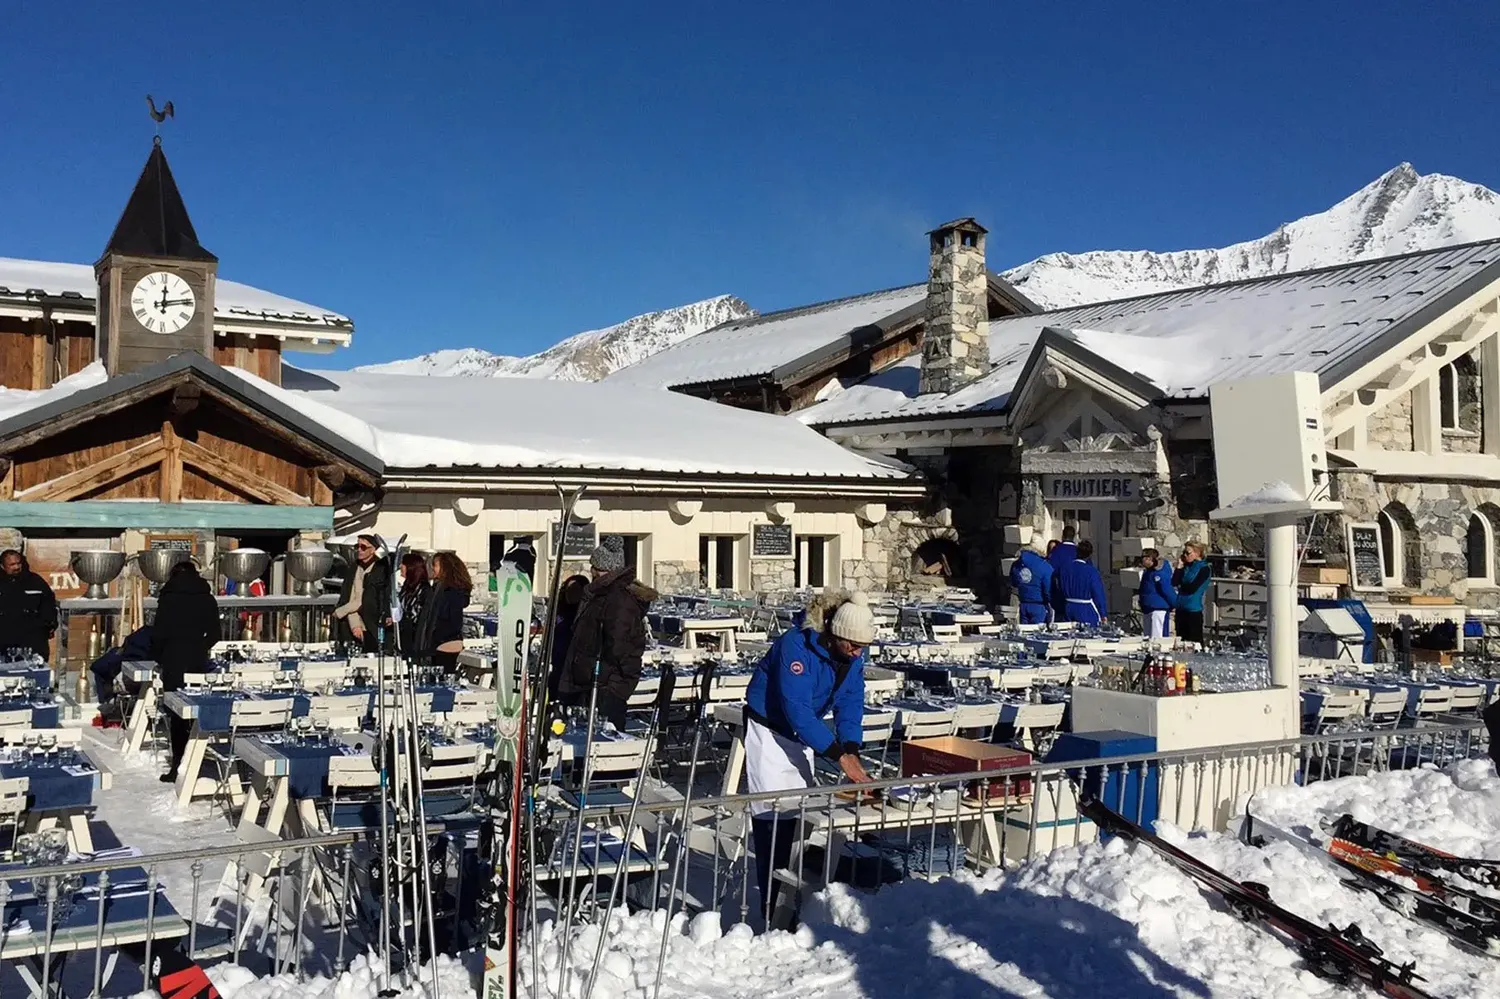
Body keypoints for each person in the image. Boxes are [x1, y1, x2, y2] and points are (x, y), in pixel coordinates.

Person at [743, 591, 874, 921]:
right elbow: (797, 710)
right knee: (772, 814)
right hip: (770, 731)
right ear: (833, 635)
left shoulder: (853, 656)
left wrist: (851, 747)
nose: (858, 654)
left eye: (863, 648)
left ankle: (796, 899)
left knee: (802, 812)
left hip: (804, 734)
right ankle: (769, 907)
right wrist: (840, 758)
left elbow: (851, 703)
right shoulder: (795, 646)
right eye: (852, 646)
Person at [557, 540, 657, 731]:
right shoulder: (602, 593)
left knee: (604, 739)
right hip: (591, 681)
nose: (591, 571)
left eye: (594, 567)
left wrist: (606, 679)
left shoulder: (618, 599)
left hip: (606, 686)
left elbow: (619, 644)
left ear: (603, 569)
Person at [151, 562, 220, 783]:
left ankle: (177, 764)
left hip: (173, 660)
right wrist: (200, 646)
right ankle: (199, 757)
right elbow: (215, 633)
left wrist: (161, 657)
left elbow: (158, 634)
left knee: (177, 715)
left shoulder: (168, 598)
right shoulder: (206, 597)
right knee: (198, 710)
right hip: (197, 661)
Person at [415, 552, 472, 675]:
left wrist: (437, 638)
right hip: (435, 644)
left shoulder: (452, 591)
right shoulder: (436, 589)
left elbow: (454, 622)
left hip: (446, 644)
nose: (433, 569)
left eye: (435, 565)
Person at [333, 534, 392, 653]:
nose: (359, 550)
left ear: (373, 550)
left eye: (363, 547)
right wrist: (355, 625)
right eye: (357, 546)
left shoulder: (380, 570)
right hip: (353, 624)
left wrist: (340, 612)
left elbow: (363, 600)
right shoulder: (354, 568)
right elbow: (350, 597)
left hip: (373, 624)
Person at [0, 549, 57, 659]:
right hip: (4, 641)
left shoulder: (35, 581)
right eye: (12, 564)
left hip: (33, 642)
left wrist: (49, 625)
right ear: (2, 566)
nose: (16, 567)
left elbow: (48, 604)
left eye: (18, 563)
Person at [548, 574, 590, 699]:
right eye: (569, 589)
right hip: (558, 667)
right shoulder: (559, 612)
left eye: (576, 590)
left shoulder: (585, 615)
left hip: (575, 672)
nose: (571, 594)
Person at [1054, 539, 1108, 626]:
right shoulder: (1091, 572)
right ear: (1089, 555)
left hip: (1068, 607)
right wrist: (1103, 613)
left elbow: (1059, 588)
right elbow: (1098, 593)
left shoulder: (1065, 569)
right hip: (1085, 609)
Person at [1009, 538, 1055, 625]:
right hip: (1039, 605)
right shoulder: (1044, 566)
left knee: (1025, 634)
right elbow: (1048, 589)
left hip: (1023, 604)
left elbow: (1014, 582)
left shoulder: (1017, 564)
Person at [1173, 543, 1211, 644]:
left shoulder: (1204, 568)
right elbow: (1174, 582)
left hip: (1193, 609)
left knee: (1194, 641)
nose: (1185, 555)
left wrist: (1181, 585)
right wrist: (1179, 567)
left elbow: (1192, 588)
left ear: (1197, 553)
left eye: (1188, 553)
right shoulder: (1186, 567)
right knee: (1181, 640)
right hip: (1181, 607)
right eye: (1184, 553)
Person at [396, 553, 432, 657]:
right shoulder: (406, 587)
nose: (400, 567)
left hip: (416, 638)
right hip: (404, 637)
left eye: (403, 564)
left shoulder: (424, 589)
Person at [1137, 548, 1177, 640]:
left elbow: (1167, 590)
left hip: (1159, 609)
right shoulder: (1148, 572)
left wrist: (1175, 604)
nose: (1143, 560)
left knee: (1158, 638)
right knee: (1148, 638)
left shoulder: (1160, 572)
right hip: (1148, 608)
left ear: (1151, 559)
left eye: (1145, 558)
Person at [1047, 527, 1078, 617]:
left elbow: (1050, 571)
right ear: (1074, 536)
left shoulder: (1056, 551)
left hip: (1059, 593)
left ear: (1063, 535)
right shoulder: (1078, 551)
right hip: (1077, 593)